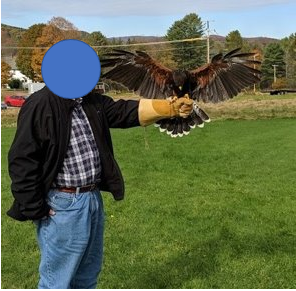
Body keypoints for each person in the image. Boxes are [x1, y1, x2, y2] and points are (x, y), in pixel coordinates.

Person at [7, 85, 193, 289]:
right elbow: (22, 159)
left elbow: (123, 112)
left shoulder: (89, 101)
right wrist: (34, 207)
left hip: (91, 198)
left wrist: (170, 107)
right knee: (57, 282)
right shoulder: (41, 104)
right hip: (63, 204)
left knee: (87, 277)